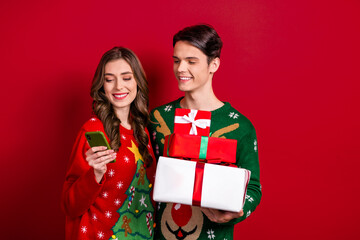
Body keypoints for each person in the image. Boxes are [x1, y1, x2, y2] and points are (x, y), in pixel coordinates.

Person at [149, 24, 261, 239]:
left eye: (191, 61)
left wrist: (236, 213)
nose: (181, 68)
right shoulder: (158, 119)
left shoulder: (240, 126)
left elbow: (253, 188)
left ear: (214, 64)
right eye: (176, 60)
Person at [62, 47, 157, 240]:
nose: (118, 87)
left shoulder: (142, 131)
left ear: (138, 81)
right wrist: (95, 174)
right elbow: (69, 205)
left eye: (126, 77)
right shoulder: (93, 130)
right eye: (109, 79)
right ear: (102, 86)